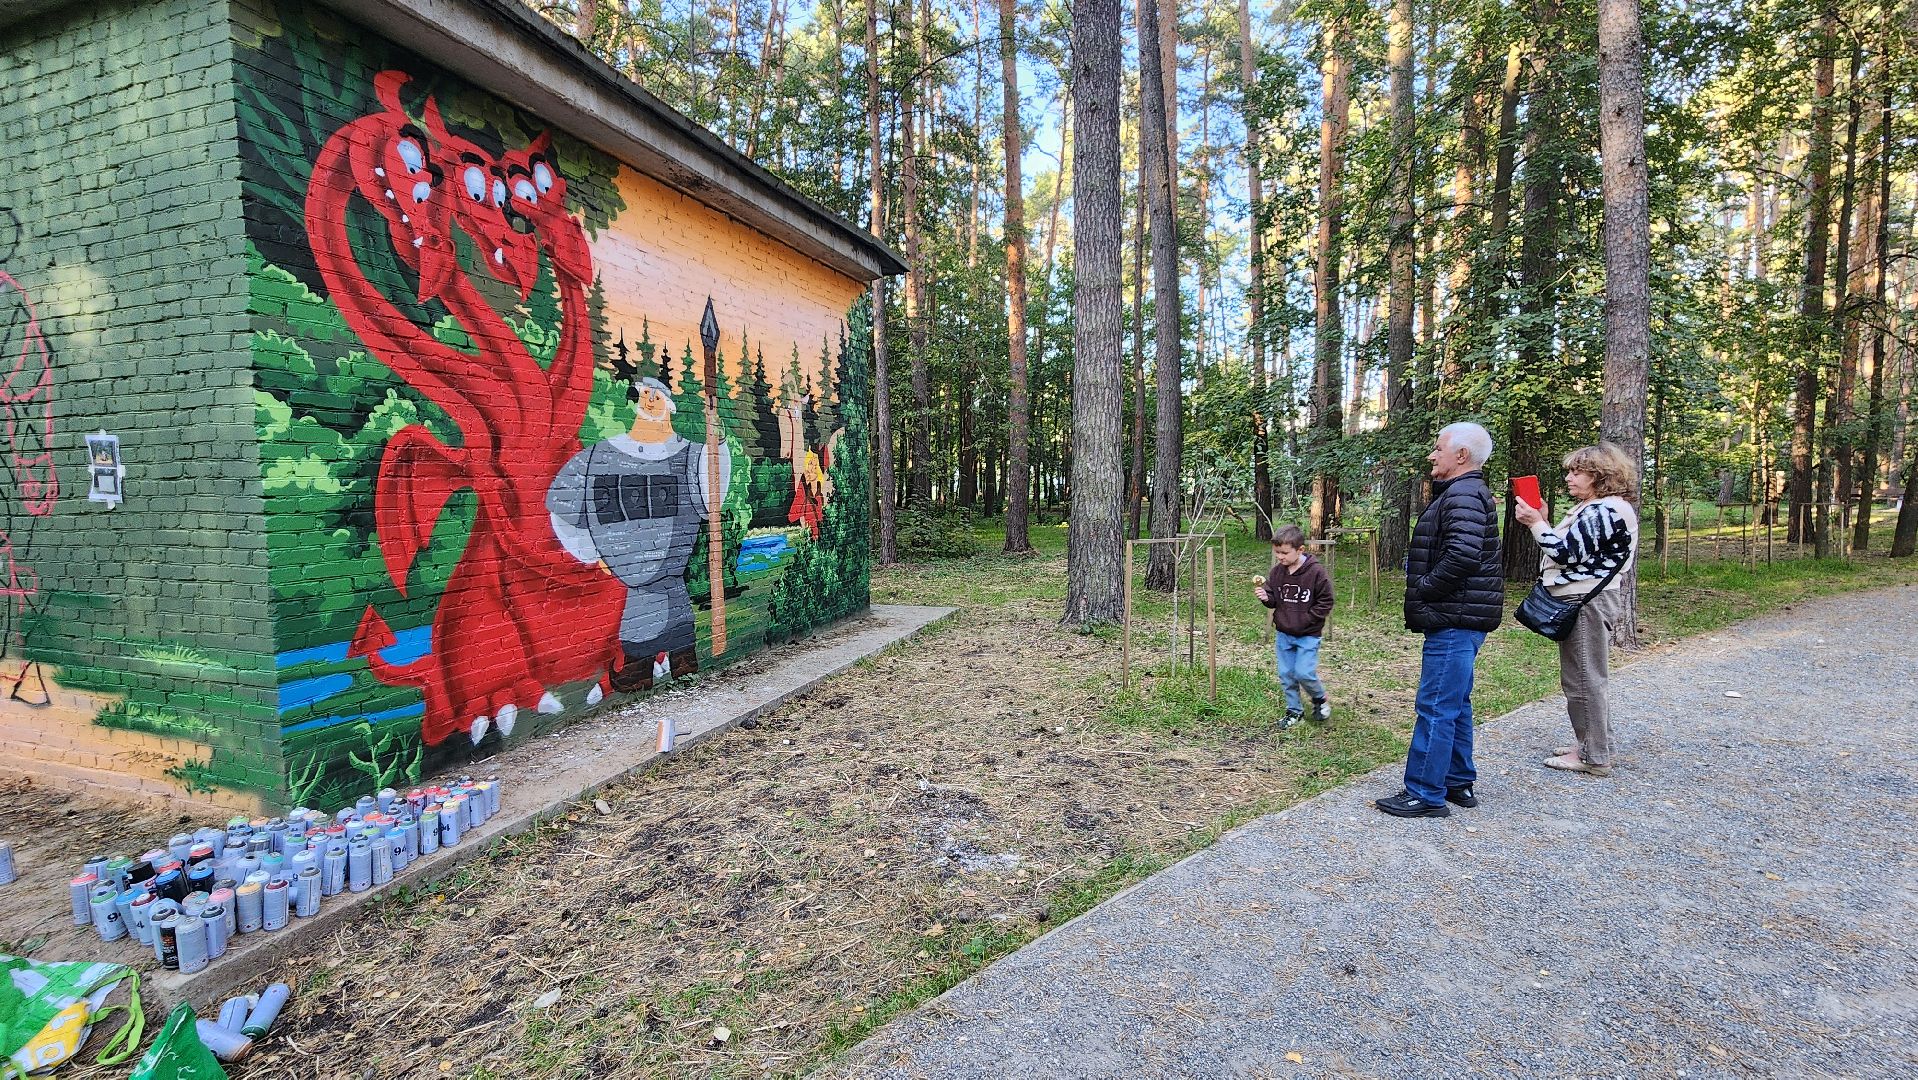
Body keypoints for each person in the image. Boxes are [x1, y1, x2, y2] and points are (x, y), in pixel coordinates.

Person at [547, 377, 731, 695]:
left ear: (668, 405)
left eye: (656, 396)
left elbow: (712, 491)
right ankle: (641, 669)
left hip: (671, 573)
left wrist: (721, 443)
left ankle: (678, 662)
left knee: (672, 613)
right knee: (642, 616)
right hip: (630, 573)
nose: (649, 401)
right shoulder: (601, 457)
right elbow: (564, 504)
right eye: (644, 394)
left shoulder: (690, 458)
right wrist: (589, 550)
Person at [1376, 421, 1505, 819]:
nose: (1432, 455)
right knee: (1454, 702)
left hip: (1454, 616)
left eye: (1438, 448)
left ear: (1461, 456)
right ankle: (1457, 781)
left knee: (1435, 704)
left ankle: (1425, 793)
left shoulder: (1464, 494)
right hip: (1462, 615)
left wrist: (1425, 588)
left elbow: (1463, 556)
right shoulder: (1465, 493)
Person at [1513, 443, 1640, 778]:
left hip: (1587, 602)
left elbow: (1566, 553)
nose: (1569, 478)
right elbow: (1577, 550)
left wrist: (1535, 523)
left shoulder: (1604, 510)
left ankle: (1593, 756)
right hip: (1586, 599)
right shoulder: (1599, 508)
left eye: (1576, 472)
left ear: (1600, 476)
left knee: (1583, 677)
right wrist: (1544, 521)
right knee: (1585, 675)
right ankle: (1594, 743)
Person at [1255, 525, 1335, 728]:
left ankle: (1319, 698)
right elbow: (1274, 599)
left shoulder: (1316, 572)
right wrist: (1266, 597)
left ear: (1300, 550)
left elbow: (1326, 601)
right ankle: (1294, 711)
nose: (1280, 557)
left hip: (1308, 634)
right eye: (1277, 553)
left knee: (1303, 672)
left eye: (1284, 553)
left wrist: (1309, 619)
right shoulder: (1277, 573)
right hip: (1284, 633)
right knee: (1286, 675)